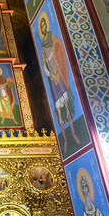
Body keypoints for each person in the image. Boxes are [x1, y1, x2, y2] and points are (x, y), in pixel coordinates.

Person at [39, 13, 82, 149]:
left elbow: (60, 55)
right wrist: (50, 75)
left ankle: (74, 132)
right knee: (58, 108)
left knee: (66, 104)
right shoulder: (42, 45)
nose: (44, 27)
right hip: (52, 77)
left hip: (59, 74)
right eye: (42, 26)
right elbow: (44, 63)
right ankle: (64, 139)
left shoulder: (54, 38)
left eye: (45, 24)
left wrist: (58, 73)